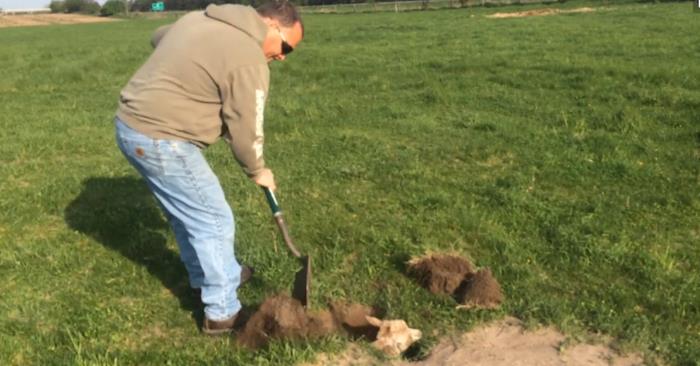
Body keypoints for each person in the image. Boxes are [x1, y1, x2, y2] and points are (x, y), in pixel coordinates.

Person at [113, 0, 303, 335]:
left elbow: (159, 36)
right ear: (272, 26)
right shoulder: (248, 59)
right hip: (162, 139)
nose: (284, 56)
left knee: (189, 214)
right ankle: (222, 312)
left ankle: (216, 274)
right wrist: (258, 170)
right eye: (287, 46)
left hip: (130, 126)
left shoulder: (199, 19)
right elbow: (247, 130)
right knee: (213, 219)